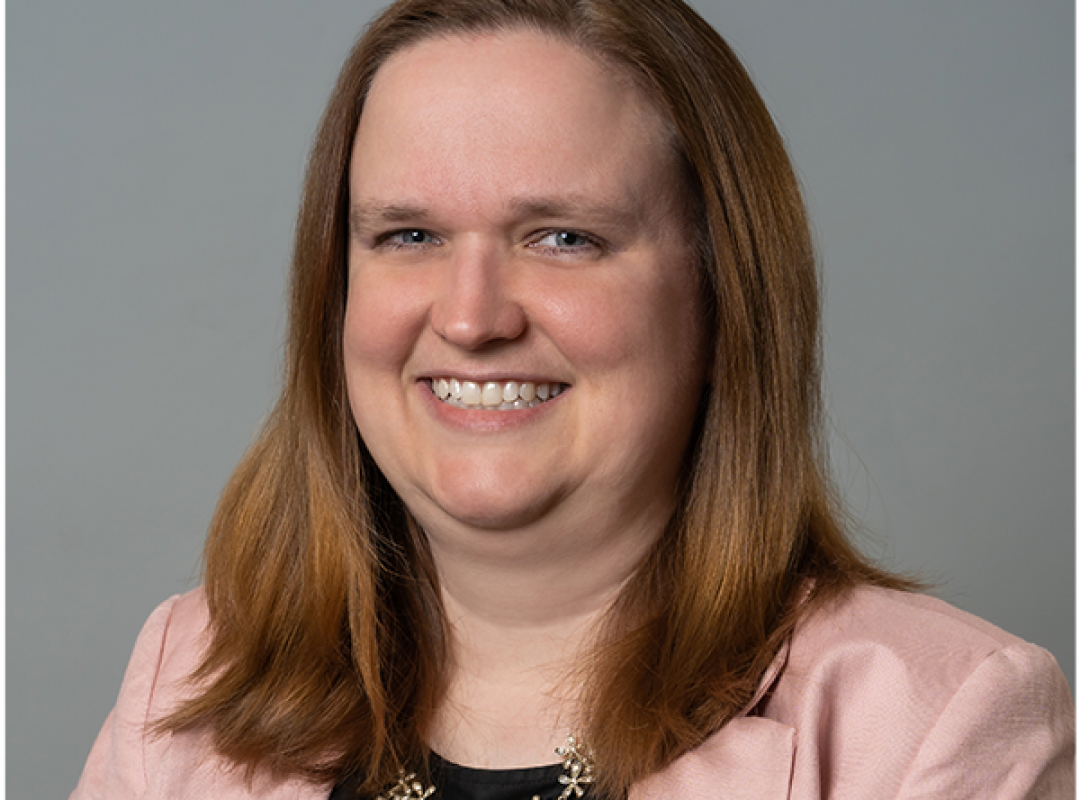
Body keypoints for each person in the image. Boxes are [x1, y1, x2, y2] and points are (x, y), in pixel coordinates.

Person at [71, 0, 1076, 798]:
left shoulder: (934, 728)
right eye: (408, 236)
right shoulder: (187, 677)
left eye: (563, 237)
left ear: (725, 303)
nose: (470, 318)